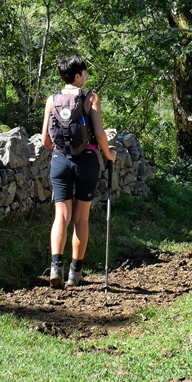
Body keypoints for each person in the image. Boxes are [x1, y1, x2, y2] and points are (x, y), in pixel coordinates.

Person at [41, 54, 114, 288]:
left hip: (60, 161)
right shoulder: (90, 97)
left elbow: (45, 141)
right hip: (87, 161)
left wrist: (63, 151)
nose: (86, 76)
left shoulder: (52, 100)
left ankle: (55, 268)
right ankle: (75, 272)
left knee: (61, 215)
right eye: (84, 72)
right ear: (78, 76)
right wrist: (108, 154)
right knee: (81, 216)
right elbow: (100, 134)